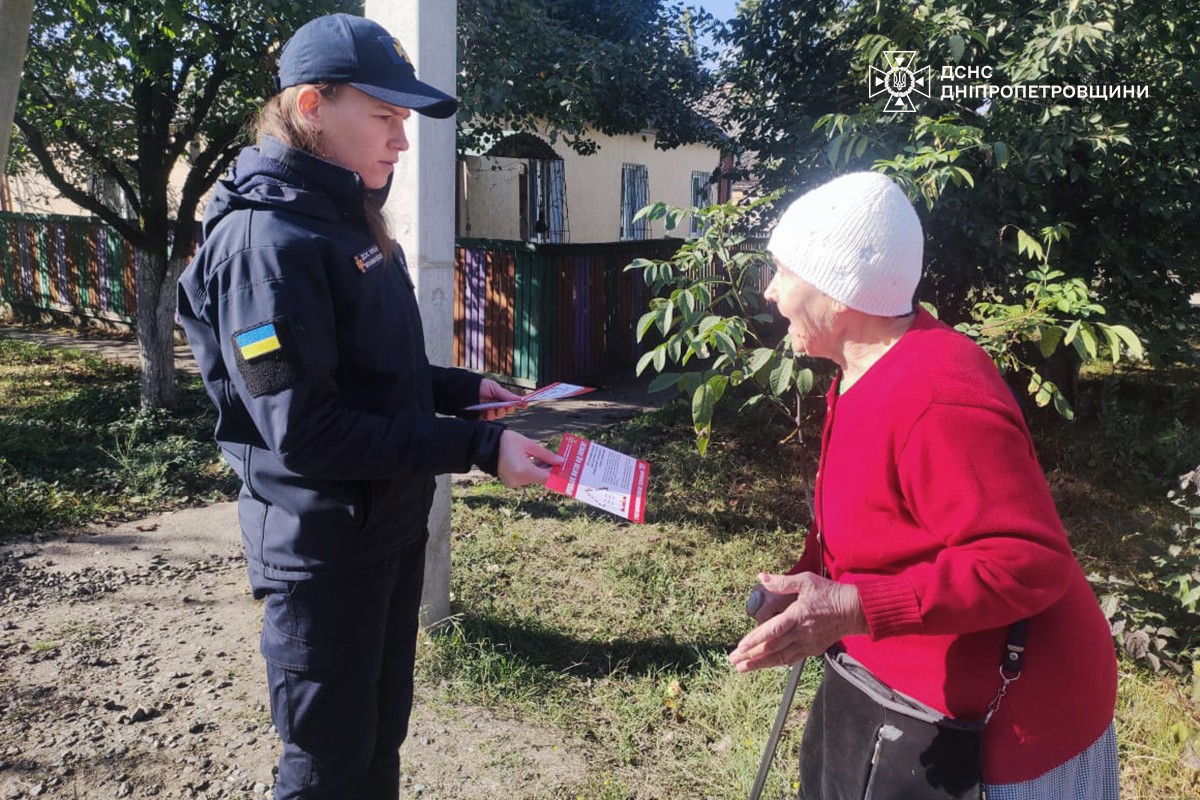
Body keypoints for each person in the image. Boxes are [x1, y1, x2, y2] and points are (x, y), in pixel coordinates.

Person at [176, 13, 561, 799]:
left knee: (381, 737)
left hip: (386, 529)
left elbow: (370, 374)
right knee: (328, 765)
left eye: (404, 120)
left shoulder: (343, 216)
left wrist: (465, 392)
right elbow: (306, 431)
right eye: (384, 116)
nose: (402, 140)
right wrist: (477, 450)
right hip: (324, 554)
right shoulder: (266, 245)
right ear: (312, 106)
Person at [727, 172, 1118, 799]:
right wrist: (808, 585)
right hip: (896, 699)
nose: (771, 292)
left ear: (841, 291)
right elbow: (875, 516)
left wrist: (854, 606)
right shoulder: (862, 369)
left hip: (1012, 731)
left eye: (783, 271)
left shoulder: (936, 394)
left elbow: (1029, 562)